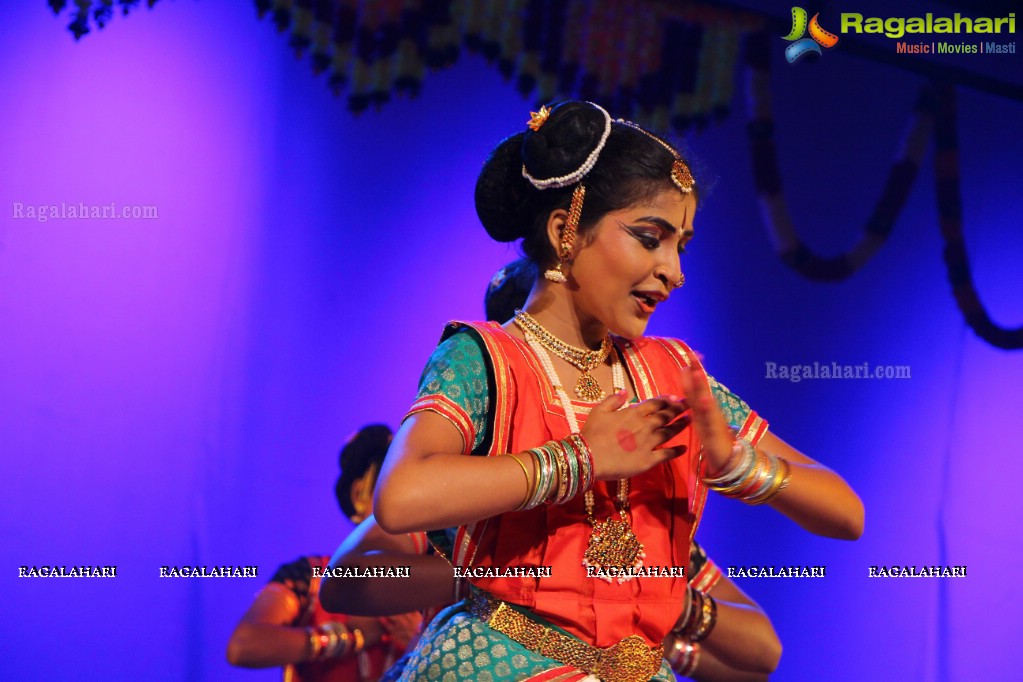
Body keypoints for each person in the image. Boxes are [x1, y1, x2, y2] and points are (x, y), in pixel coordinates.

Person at [373, 101, 863, 681]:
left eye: (681, 246)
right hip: (499, 662)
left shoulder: (672, 374)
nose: (674, 271)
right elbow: (399, 496)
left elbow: (846, 514)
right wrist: (580, 460)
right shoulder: (487, 357)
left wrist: (737, 464)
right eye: (650, 238)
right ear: (565, 232)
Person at [227, 425, 421, 682]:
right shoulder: (313, 578)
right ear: (360, 496)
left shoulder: (436, 585)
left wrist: (420, 643)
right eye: (390, 489)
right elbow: (244, 645)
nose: (405, 504)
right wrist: (349, 637)